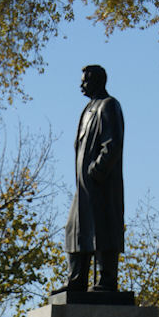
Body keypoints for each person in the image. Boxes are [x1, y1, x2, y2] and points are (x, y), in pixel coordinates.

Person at [54, 64, 125, 294]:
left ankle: (106, 280)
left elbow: (112, 143)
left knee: (103, 229)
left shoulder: (109, 105)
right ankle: (77, 279)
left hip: (100, 186)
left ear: (97, 81)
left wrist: (97, 170)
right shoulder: (87, 109)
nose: (81, 85)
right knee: (75, 228)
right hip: (83, 187)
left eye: (85, 80)